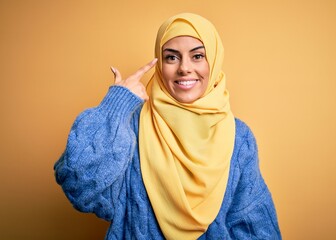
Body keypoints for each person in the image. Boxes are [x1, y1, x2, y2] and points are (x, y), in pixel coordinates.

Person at [54, 13, 282, 240]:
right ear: (160, 65)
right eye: (172, 57)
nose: (184, 68)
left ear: (213, 61)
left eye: (197, 56)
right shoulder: (130, 127)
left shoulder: (238, 137)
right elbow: (79, 188)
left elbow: (256, 227)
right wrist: (116, 106)